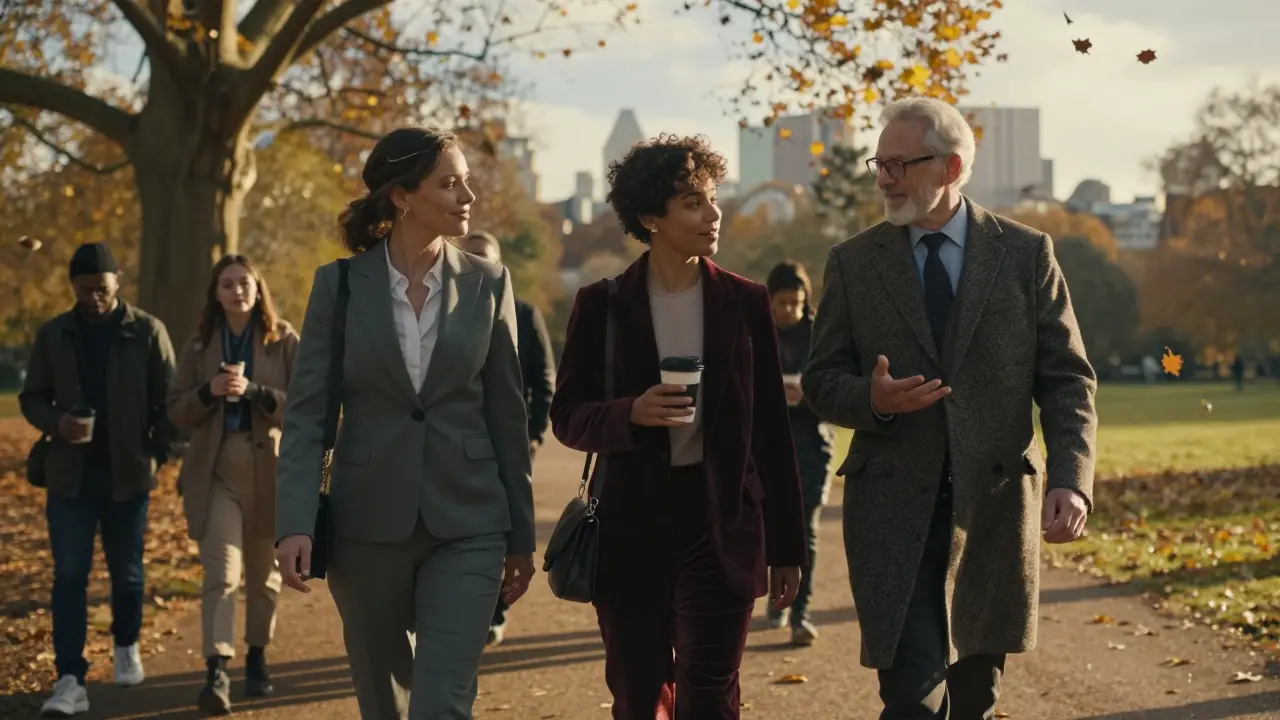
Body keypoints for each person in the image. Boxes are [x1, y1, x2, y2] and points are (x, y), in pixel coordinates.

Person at [802, 96, 1098, 719]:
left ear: (952, 165)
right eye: (878, 164)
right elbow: (822, 379)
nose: (884, 178)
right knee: (910, 701)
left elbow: (1069, 380)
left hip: (993, 512)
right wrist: (871, 400)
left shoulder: (1026, 254)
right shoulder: (853, 263)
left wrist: (1072, 481)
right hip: (889, 510)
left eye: (900, 164)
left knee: (973, 702)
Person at [274, 126, 536, 720]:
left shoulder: (489, 283)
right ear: (401, 196)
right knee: (383, 705)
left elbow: (506, 414)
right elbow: (309, 411)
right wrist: (293, 521)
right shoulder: (338, 287)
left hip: (469, 521)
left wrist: (520, 535)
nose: (467, 194)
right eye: (449, 183)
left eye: (467, 180)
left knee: (441, 704)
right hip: (364, 528)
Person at [550, 133, 807, 719]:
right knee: (638, 698)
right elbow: (567, 415)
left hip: (722, 526)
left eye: (713, 199)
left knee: (709, 697)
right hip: (630, 529)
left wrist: (787, 547)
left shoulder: (746, 302)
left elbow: (772, 431)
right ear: (650, 217)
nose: (712, 213)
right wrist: (629, 412)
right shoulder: (603, 304)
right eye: (693, 201)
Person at [19, 242, 177, 717]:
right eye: (85, 290)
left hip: (128, 478)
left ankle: (126, 644)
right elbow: (31, 397)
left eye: (102, 289)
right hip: (70, 479)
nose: (94, 299)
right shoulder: (54, 335)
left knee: (127, 577)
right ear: (73, 288)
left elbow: (169, 401)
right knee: (70, 576)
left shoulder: (148, 331)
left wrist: (158, 453)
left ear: (117, 282)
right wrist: (55, 423)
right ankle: (70, 678)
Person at [169, 255, 298, 713]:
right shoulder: (199, 344)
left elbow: (306, 407)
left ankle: (258, 656)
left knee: (264, 578)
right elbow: (177, 409)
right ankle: (216, 670)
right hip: (216, 469)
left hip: (269, 470)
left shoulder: (283, 340)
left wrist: (258, 394)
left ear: (258, 288)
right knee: (221, 575)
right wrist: (209, 393)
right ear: (216, 293)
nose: (237, 290)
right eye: (227, 284)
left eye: (244, 283)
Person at [458, 230, 556, 648]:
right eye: (471, 257)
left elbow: (544, 381)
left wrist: (532, 435)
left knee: (503, 527)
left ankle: (496, 609)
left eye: (486, 258)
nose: (479, 264)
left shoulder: (524, 312)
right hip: (459, 441)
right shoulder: (448, 312)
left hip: (509, 443)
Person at [762, 261, 833, 647]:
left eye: (797, 302)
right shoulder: (757, 334)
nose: (789, 309)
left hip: (811, 443)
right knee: (768, 526)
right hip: (767, 445)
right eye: (783, 302)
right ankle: (777, 598)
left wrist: (808, 396)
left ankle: (800, 614)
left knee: (805, 531)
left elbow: (838, 387)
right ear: (770, 300)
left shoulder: (819, 335)